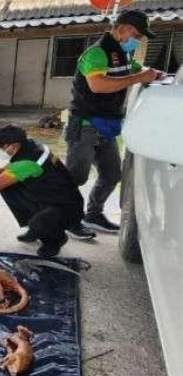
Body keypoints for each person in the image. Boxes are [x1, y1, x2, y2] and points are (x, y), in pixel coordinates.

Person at [64, 10, 161, 238]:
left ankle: (93, 215)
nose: (137, 40)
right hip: (86, 124)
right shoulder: (97, 53)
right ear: (123, 27)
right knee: (74, 178)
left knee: (111, 175)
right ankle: (68, 219)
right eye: (136, 34)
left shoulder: (124, 55)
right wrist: (138, 78)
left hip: (107, 125)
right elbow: (98, 85)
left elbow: (142, 71)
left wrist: (158, 75)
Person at [0, 125, 84, 257]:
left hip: (67, 207)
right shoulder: (29, 146)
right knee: (8, 186)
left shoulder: (27, 162)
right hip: (51, 195)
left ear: (14, 145)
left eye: (3, 146)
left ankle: (55, 240)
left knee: (40, 223)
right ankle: (36, 228)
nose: (2, 150)